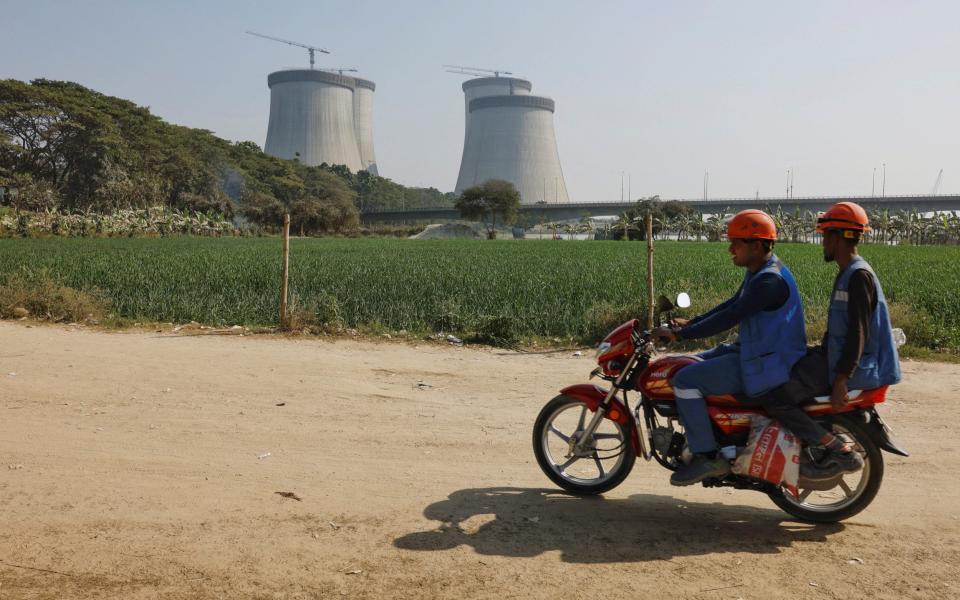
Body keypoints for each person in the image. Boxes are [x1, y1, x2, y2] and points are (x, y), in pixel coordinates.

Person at [652, 210, 807, 486]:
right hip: (754, 351)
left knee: (684, 379)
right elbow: (730, 306)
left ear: (756, 245)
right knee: (689, 362)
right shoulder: (761, 271)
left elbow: (729, 317)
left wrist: (681, 334)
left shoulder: (769, 281)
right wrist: (690, 323)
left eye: (736, 242)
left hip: (766, 363)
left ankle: (708, 455)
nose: (729, 249)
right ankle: (709, 433)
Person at [760, 201, 902, 478]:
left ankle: (834, 447)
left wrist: (840, 381)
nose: (822, 242)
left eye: (825, 236)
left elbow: (857, 333)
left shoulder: (858, 276)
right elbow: (842, 329)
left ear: (838, 237)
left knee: (772, 395)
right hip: (837, 360)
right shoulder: (849, 272)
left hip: (853, 368)